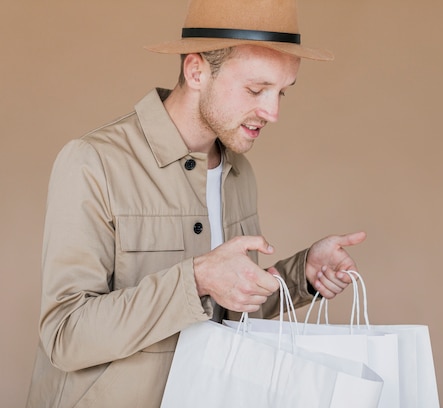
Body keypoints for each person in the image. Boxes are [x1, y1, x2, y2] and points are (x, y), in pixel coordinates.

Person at [26, 0, 366, 406]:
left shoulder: (238, 174)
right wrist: (197, 278)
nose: (272, 112)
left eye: (282, 93)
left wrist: (300, 276)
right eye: (256, 90)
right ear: (196, 70)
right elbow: (66, 335)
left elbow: (225, 314)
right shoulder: (94, 162)